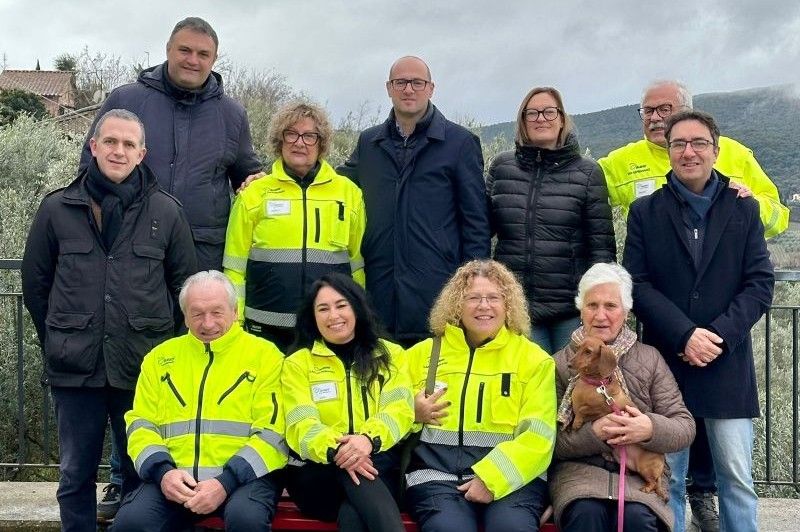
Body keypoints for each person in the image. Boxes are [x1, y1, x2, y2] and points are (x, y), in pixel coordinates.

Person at [21, 109, 197, 531]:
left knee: (144, 471)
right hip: (74, 368)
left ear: (142, 154)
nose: (119, 151)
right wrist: (63, 338)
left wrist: (164, 352)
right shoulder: (57, 209)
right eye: (111, 142)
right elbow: (36, 287)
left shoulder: (167, 212)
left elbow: (184, 289)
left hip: (142, 368)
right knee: (75, 475)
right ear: (93, 146)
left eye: (129, 144)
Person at [623, 110, 775, 532]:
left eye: (699, 143)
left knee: (737, 480)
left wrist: (717, 336)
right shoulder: (644, 211)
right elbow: (636, 283)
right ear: (667, 150)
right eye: (679, 144)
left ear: (716, 150)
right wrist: (685, 334)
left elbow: (759, 283)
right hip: (665, 366)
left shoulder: (744, 210)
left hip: (727, 366)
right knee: (664, 479)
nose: (689, 152)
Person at [79, 16, 262, 272]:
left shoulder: (232, 115)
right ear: (168, 49)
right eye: (185, 50)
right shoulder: (126, 100)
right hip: (130, 252)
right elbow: (89, 170)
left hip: (203, 257)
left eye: (203, 54)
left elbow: (248, 178)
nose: (193, 60)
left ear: (214, 59)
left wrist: (257, 182)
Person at [113, 271, 287, 532]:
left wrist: (224, 482)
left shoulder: (266, 356)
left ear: (236, 311)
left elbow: (274, 433)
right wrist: (164, 474)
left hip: (243, 480)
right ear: (184, 316)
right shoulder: (159, 359)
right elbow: (140, 425)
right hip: (174, 480)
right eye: (197, 314)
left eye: (217, 312)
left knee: (246, 521)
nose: (207, 324)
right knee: (130, 523)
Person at [338, 55, 490, 347]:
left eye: (417, 82)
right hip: (379, 291)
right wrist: (268, 177)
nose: (409, 89)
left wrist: (474, 287)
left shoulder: (459, 143)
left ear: (431, 88)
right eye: (401, 82)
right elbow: (334, 183)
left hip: (437, 291)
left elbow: (476, 223)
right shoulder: (369, 143)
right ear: (389, 88)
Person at [405, 259, 556, 532]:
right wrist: (410, 412)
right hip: (436, 476)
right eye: (473, 298)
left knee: (511, 528)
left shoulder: (534, 360)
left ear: (508, 305)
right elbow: (385, 413)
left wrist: (491, 478)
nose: (483, 306)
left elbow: (539, 438)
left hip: (513, 480)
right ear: (456, 305)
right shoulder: (421, 355)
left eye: (493, 298)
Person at [550, 262, 695, 531]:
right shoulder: (560, 364)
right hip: (579, 475)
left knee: (638, 519)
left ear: (626, 311)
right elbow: (548, 441)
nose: (600, 315)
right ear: (580, 310)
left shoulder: (649, 359)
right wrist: (594, 433)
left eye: (611, 306)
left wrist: (648, 427)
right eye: (592, 305)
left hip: (639, 475)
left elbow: (684, 427)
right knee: (585, 514)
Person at [223, 101, 365, 352]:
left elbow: (358, 265)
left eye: (310, 136)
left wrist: (359, 318)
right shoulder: (254, 194)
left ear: (322, 143)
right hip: (264, 329)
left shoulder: (349, 194)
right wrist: (236, 324)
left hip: (327, 328)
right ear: (279, 141)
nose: (300, 142)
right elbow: (234, 267)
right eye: (291, 134)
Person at [487, 86, 616, 354]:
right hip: (517, 306)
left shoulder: (587, 172)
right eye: (531, 113)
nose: (540, 119)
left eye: (548, 111)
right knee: (529, 389)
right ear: (522, 121)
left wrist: (600, 304)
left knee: (572, 388)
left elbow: (601, 247)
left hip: (569, 310)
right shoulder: (502, 167)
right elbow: (481, 228)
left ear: (561, 118)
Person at [281, 273, 413, 531]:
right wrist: (338, 450)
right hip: (318, 474)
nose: (333, 316)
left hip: (378, 466)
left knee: (354, 515)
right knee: (355, 475)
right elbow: (300, 424)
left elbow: (399, 411)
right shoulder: (298, 363)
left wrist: (367, 440)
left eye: (341, 305)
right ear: (313, 316)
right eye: (323, 309)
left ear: (357, 306)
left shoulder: (391, 355)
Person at [599, 79, 788, 239]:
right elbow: (578, 195)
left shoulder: (735, 153)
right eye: (648, 111)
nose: (654, 118)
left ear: (688, 111)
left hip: (725, 273)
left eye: (665, 109)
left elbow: (778, 219)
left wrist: (747, 204)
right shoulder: (619, 161)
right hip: (658, 276)